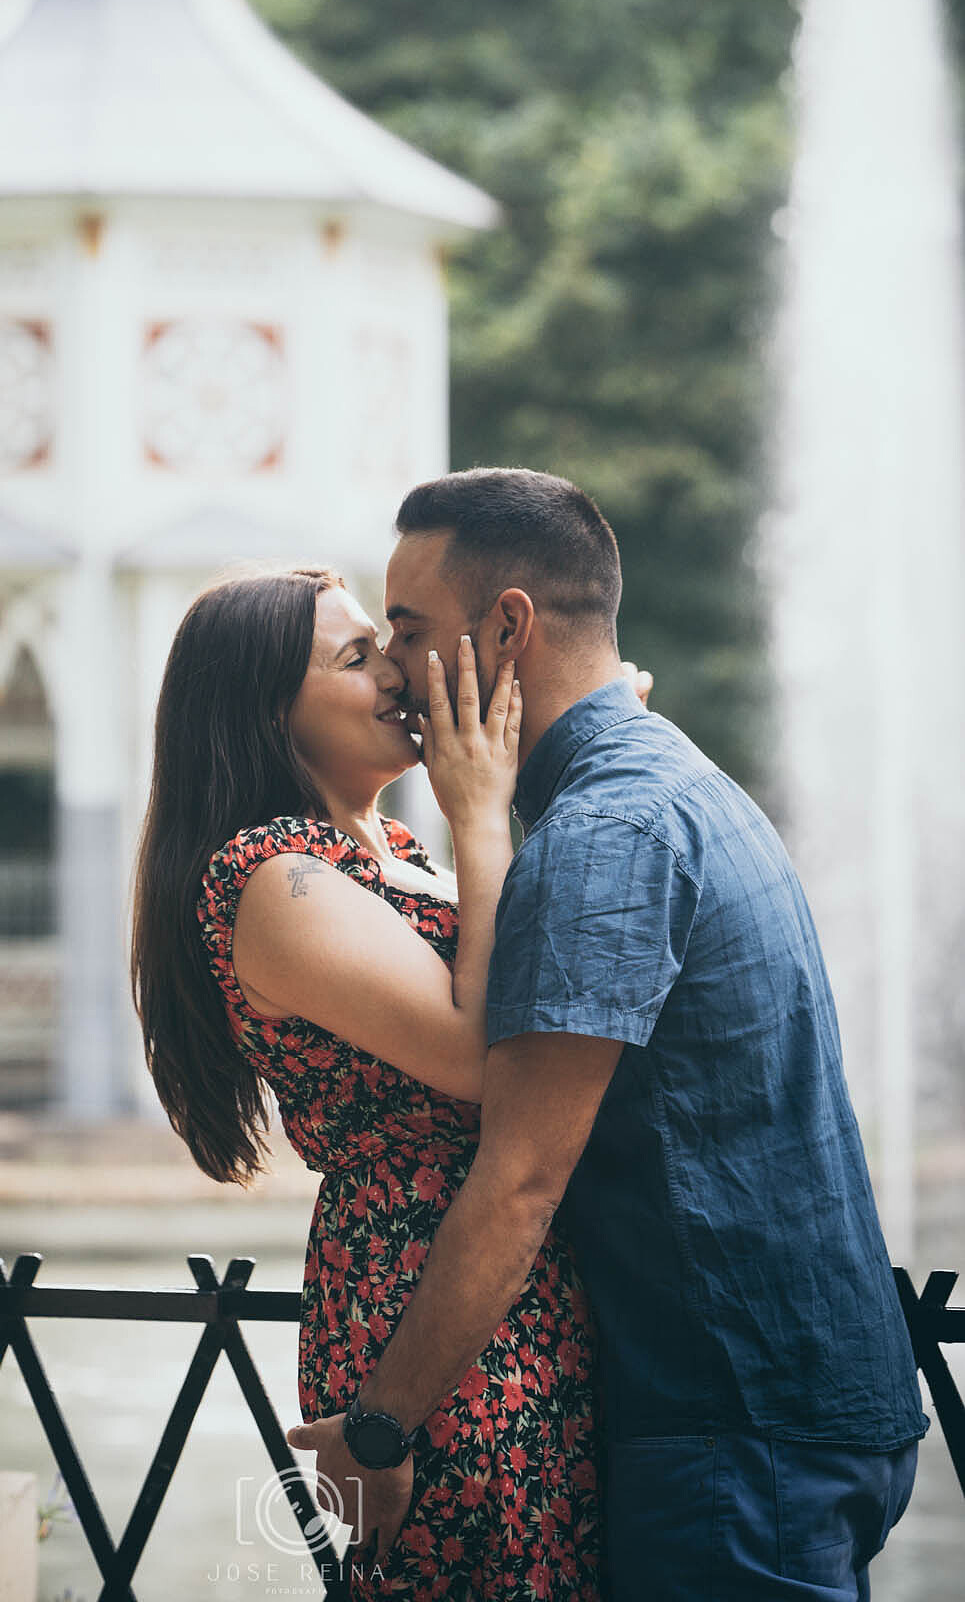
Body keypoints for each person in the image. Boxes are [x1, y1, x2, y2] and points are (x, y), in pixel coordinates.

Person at [290, 467, 927, 1602]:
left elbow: (522, 1175)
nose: (398, 670)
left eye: (414, 631)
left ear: (510, 625)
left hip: (733, 1426)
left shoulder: (603, 833)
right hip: (794, 1403)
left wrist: (381, 1423)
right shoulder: (668, 780)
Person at [130, 566, 615, 1599]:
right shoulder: (272, 875)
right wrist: (480, 814)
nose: (400, 670)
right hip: (423, 1298)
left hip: (501, 1271)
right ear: (271, 709)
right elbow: (474, 1054)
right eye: (356, 657)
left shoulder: (387, 848)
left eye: (385, 644)